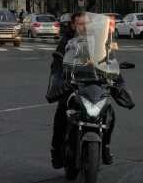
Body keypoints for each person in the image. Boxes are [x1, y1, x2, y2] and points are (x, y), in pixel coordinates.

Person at [48, 12, 130, 168]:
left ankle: (105, 146)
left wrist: (119, 83)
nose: (84, 27)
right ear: (73, 25)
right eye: (80, 24)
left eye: (87, 24)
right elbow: (57, 64)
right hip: (73, 84)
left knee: (109, 113)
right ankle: (56, 150)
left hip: (95, 84)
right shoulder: (66, 42)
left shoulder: (99, 40)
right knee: (61, 113)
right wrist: (57, 83)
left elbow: (110, 60)